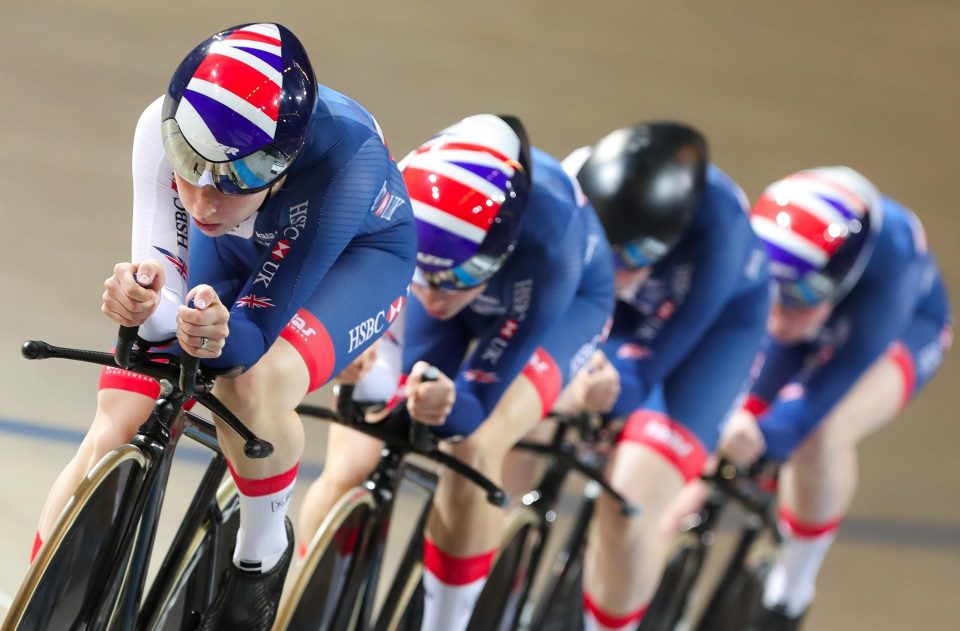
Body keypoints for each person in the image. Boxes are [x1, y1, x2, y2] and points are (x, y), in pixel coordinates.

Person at [30, 23, 417, 630]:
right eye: (189, 168)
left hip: (353, 259)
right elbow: (160, 305)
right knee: (122, 409)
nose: (204, 201)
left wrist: (216, 332)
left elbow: (248, 342)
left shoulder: (347, 162)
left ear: (281, 168)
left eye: (234, 179)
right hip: (245, 244)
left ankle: (259, 563)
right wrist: (141, 303)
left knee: (250, 385)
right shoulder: (161, 129)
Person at [298, 113, 615, 630]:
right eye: (425, 274)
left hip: (559, 304)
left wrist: (448, 404)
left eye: (459, 278)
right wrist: (358, 372)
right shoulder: (400, 207)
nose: (436, 295)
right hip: (450, 262)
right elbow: (369, 364)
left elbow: (470, 409)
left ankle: (446, 622)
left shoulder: (550, 242)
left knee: (473, 447)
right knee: (353, 456)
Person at [717, 166, 952, 629]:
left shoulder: (892, 261)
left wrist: (766, 432)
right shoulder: (777, 253)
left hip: (904, 328)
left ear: (840, 279)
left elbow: (821, 395)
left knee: (821, 435)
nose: (781, 315)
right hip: (824, 295)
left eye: (800, 296)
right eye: (773, 293)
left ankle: (793, 585)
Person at [560, 122, 771, 630]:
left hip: (707, 336)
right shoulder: (573, 184)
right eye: (603, 250)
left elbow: (642, 371)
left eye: (631, 256)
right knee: (522, 425)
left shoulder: (721, 233)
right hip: (621, 317)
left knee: (626, 501)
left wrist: (601, 392)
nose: (613, 270)